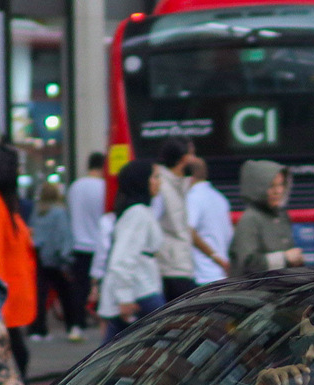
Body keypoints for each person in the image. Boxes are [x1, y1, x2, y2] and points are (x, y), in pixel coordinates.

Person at [0, 141, 38, 378]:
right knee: (14, 359)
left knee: (14, 359)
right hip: (7, 298)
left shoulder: (4, 202)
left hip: (13, 295)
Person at [96, 159, 165, 339]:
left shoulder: (139, 212)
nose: (159, 182)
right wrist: (124, 297)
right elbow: (122, 258)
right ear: (142, 181)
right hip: (140, 291)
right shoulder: (138, 214)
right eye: (155, 177)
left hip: (139, 289)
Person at [229, 159, 305, 278]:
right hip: (256, 293)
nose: (278, 191)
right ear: (257, 188)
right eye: (272, 186)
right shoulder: (250, 219)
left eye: (281, 184)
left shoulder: (282, 215)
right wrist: (285, 258)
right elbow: (246, 264)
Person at [30, 181, 81, 337]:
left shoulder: (37, 212)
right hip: (57, 259)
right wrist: (67, 258)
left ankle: (38, 329)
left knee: (40, 295)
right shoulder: (60, 212)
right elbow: (63, 236)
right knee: (67, 294)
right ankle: (72, 326)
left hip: (40, 257)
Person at [65, 151, 108, 331]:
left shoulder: (75, 186)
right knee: (101, 287)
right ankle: (102, 321)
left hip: (78, 243)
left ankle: (77, 324)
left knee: (79, 288)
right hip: (99, 244)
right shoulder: (104, 187)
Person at [151, 136, 197, 301]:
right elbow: (152, 224)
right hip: (169, 268)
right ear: (183, 159)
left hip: (182, 265)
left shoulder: (180, 184)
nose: (195, 159)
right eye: (192, 154)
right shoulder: (162, 187)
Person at [182, 155, 233, 284]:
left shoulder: (193, 198)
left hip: (202, 275)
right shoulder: (220, 198)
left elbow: (188, 231)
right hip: (221, 274)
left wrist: (214, 257)